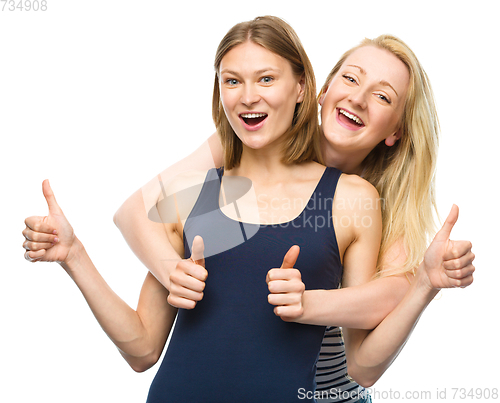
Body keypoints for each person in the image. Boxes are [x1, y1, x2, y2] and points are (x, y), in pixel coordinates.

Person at [22, 16, 387, 402]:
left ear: (300, 88)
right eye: (232, 81)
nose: (247, 96)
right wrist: (74, 256)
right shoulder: (193, 195)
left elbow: (360, 360)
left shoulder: (350, 199)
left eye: (266, 79)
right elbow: (142, 348)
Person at [109, 21, 474, 403]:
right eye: (350, 79)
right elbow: (136, 213)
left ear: (396, 130)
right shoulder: (250, 142)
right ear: (322, 90)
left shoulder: (376, 203)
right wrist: (173, 272)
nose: (358, 99)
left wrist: (310, 302)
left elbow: (386, 310)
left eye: (382, 97)